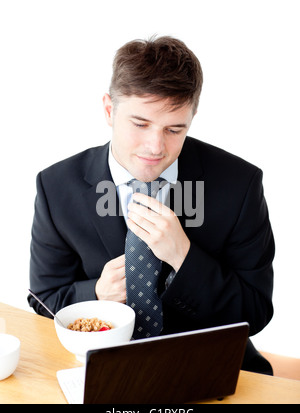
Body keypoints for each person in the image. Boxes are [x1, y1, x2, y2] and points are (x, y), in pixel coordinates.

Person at [28, 35, 275, 374]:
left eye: (174, 129)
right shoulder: (56, 187)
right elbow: (43, 299)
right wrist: (97, 294)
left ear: (192, 117)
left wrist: (183, 257)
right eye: (140, 124)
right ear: (109, 110)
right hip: (103, 369)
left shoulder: (239, 185)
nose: (155, 146)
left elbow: (256, 311)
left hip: (211, 368)